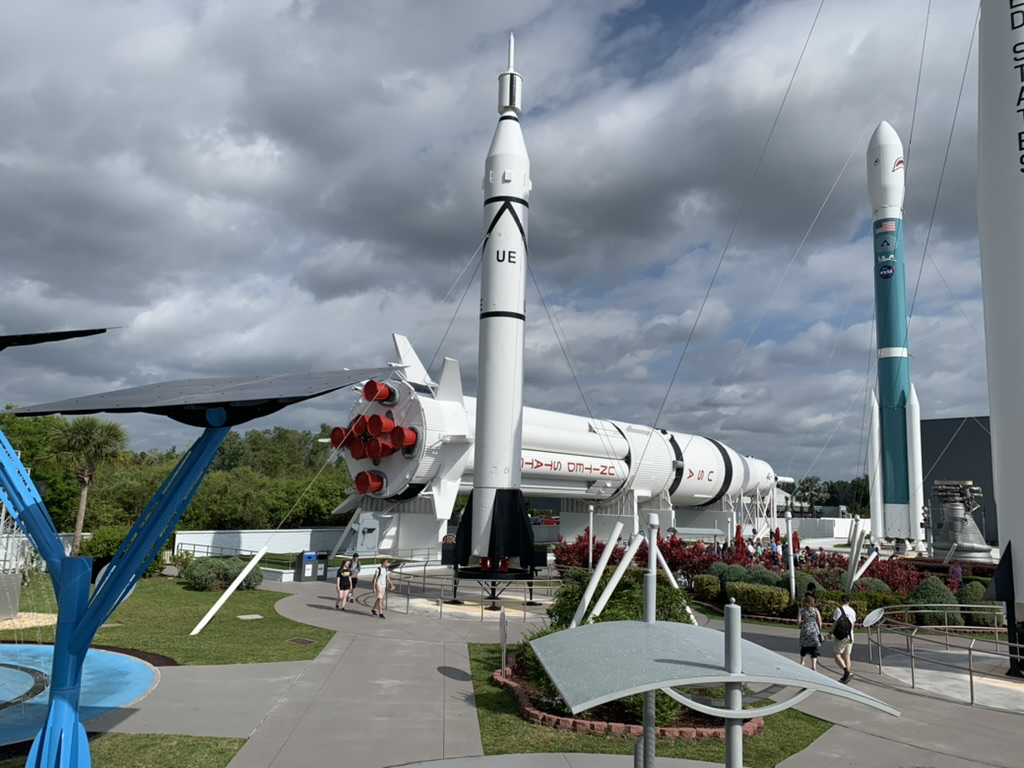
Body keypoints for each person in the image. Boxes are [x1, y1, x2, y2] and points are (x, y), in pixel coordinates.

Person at [832, 594, 857, 683]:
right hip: (850, 635)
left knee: (837, 654)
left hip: (841, 636)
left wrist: (831, 632)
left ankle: (846, 672)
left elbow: (835, 623)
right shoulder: (852, 611)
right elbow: (852, 625)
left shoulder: (838, 610)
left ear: (841, 601)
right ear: (849, 601)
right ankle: (847, 676)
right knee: (847, 655)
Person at [798, 594, 824, 671]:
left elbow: (798, 621)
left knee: (804, 646)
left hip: (805, 629)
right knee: (814, 648)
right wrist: (819, 629)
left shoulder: (801, 610)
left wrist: (801, 624)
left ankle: (802, 662)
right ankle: (814, 666)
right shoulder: (815, 610)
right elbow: (819, 621)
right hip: (814, 629)